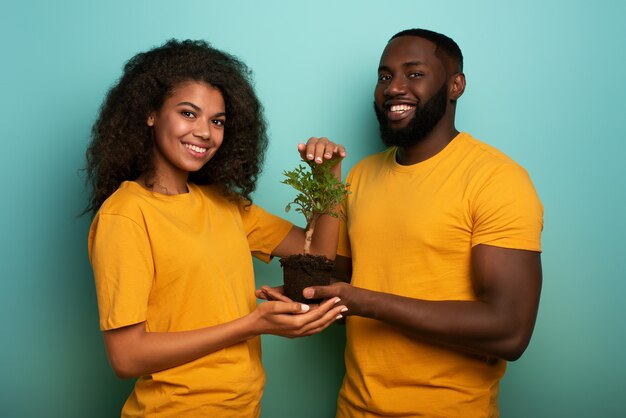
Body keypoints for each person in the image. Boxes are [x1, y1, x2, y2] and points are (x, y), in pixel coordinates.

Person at [262, 28, 543, 417]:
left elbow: (509, 331)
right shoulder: (361, 175)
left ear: (455, 85)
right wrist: (304, 297)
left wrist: (365, 300)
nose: (394, 87)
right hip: (353, 408)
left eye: (414, 74)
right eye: (384, 76)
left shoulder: (496, 178)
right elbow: (340, 289)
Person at [84, 39, 348, 418]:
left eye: (217, 121)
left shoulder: (225, 204)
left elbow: (318, 256)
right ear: (150, 114)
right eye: (188, 114)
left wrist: (329, 177)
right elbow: (126, 356)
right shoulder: (126, 215)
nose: (205, 132)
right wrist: (252, 324)